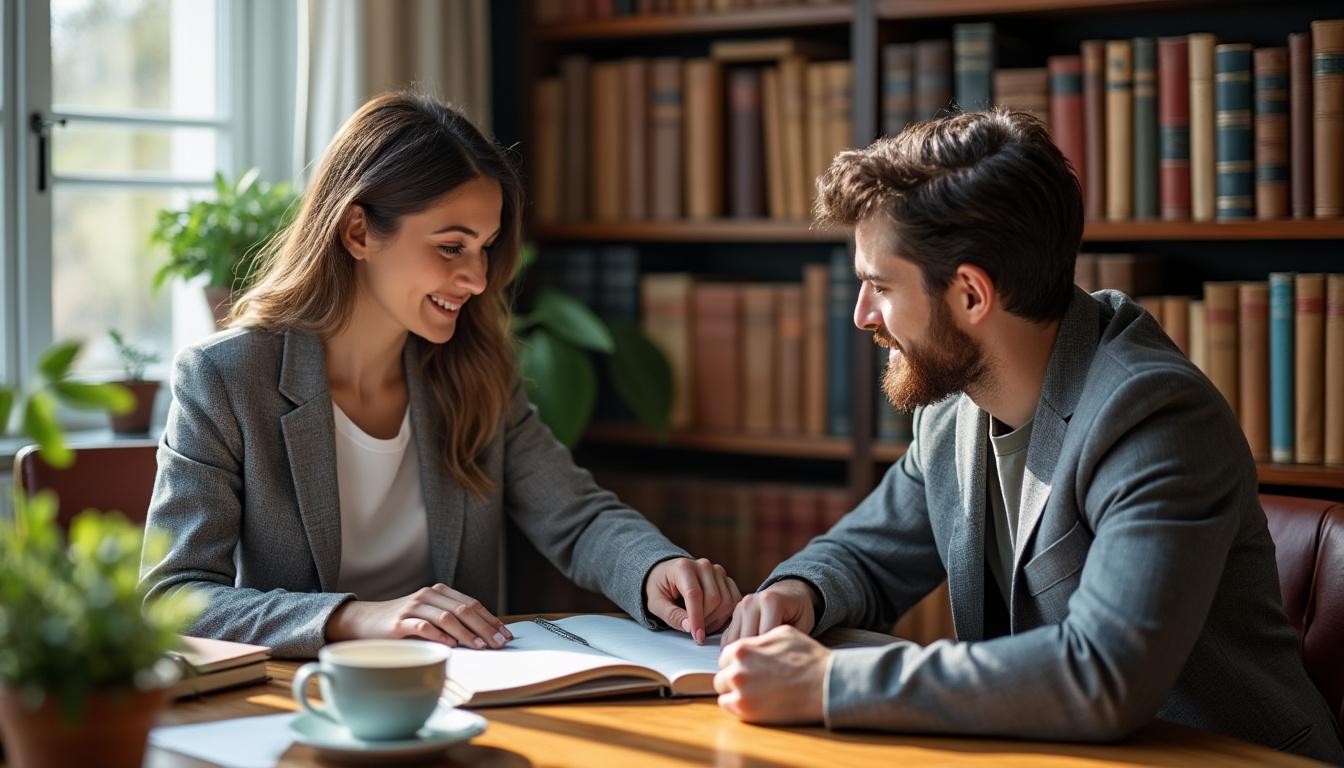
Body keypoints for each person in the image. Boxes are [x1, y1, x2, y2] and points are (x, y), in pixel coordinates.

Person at [711, 109, 1344, 763]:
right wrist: (798, 594)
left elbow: (1102, 675)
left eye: (879, 286)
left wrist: (826, 682)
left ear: (971, 295)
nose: (861, 316)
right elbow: (867, 559)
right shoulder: (953, 407)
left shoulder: (1155, 416)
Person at [140, 92, 739, 658]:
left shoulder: (475, 369)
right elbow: (172, 598)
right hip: (301, 705)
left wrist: (656, 568)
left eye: (485, 247)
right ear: (357, 233)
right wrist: (356, 617)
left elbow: (576, 518)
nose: (478, 279)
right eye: (452, 247)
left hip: (467, 698)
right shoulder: (225, 379)